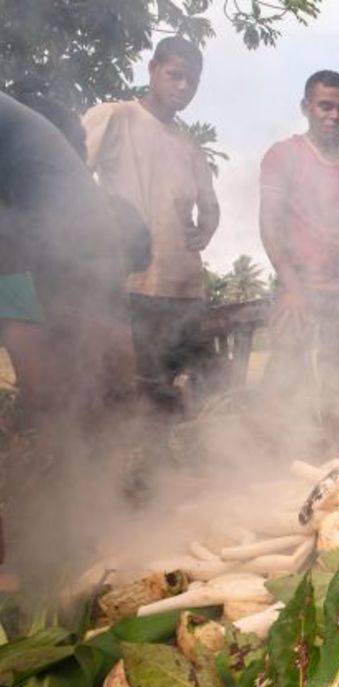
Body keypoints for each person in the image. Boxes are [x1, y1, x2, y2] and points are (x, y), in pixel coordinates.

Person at [0, 92, 136, 561]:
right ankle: (95, 510)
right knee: (79, 398)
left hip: (55, 247)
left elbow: (10, 247)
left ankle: (90, 519)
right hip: (66, 245)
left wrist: (23, 335)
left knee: (63, 400)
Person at [83, 36, 220, 411]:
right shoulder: (115, 116)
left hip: (186, 289)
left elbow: (211, 207)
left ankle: (186, 463)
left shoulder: (189, 147)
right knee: (137, 392)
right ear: (153, 69)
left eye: (192, 81)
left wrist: (204, 232)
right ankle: (132, 465)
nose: (183, 87)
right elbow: (74, 177)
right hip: (134, 285)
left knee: (199, 396)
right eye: (175, 75)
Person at [259, 70, 339, 452]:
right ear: (306, 107)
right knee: (288, 384)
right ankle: (275, 466)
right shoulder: (283, 156)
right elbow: (270, 224)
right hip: (300, 291)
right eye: (325, 106)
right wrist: (292, 287)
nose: (334, 115)